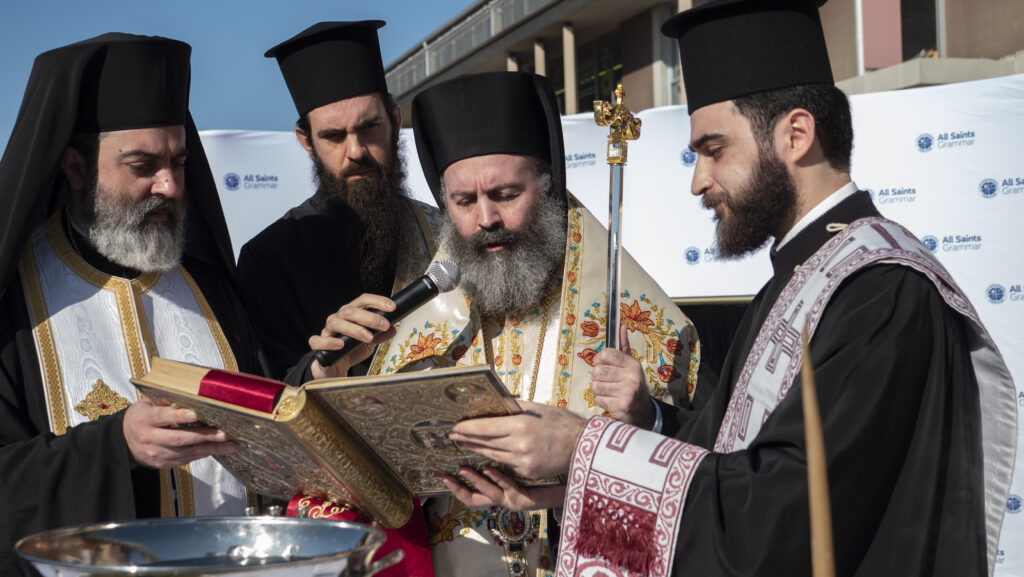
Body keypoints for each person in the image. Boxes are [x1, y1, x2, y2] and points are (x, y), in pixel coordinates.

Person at [444, 2, 1018, 576]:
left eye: (714, 150)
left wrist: (584, 449)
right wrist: (614, 449)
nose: (698, 181)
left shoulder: (881, 291)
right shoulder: (801, 278)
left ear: (796, 134)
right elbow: (721, 451)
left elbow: (782, 512)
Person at [303, 71, 700, 577]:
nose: (486, 218)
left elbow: (700, 477)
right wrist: (337, 382)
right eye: (463, 203)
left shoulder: (635, 318)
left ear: (548, 187)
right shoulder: (424, 315)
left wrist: (636, 420)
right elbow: (376, 485)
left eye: (506, 194)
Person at [0, 33, 264, 571]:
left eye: (179, 162)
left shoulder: (210, 289)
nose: (168, 185)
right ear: (75, 168)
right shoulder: (12, 304)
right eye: (143, 166)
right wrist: (115, 446)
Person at [237, 21, 443, 379]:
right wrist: (322, 366)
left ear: (395, 121)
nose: (356, 151)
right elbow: (268, 398)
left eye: (368, 128)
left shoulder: (443, 237)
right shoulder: (269, 259)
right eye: (334, 136)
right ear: (306, 140)